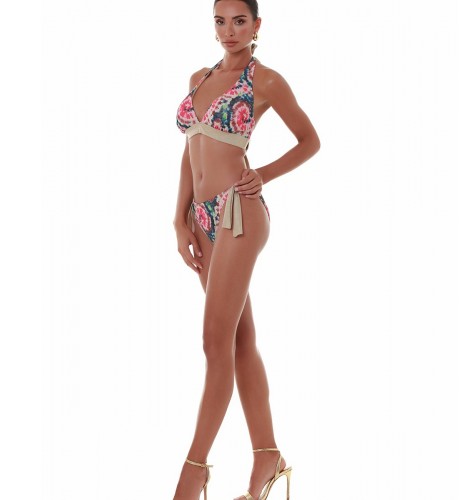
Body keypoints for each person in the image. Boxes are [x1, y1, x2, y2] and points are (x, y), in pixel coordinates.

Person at [172, 1, 320, 498]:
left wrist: (263, 175)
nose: (229, 31)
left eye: (239, 21)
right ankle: (267, 456)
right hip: (202, 218)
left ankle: (193, 471)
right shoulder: (199, 77)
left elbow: (310, 141)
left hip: (238, 214)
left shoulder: (266, 81)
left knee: (214, 341)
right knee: (239, 340)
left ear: (257, 26)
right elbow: (190, 150)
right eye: (220, 21)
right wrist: (179, 217)